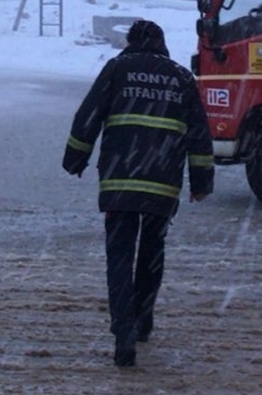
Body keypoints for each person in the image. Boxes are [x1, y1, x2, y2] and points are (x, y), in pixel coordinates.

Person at [63, 19, 214, 368]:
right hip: (162, 185)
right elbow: (199, 134)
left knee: (118, 257)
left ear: (130, 42)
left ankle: (123, 331)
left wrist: (75, 158)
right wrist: (202, 182)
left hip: (120, 182)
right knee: (151, 253)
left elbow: (89, 115)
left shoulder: (118, 68)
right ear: (162, 44)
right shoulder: (180, 78)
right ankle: (143, 318)